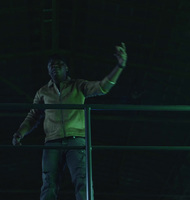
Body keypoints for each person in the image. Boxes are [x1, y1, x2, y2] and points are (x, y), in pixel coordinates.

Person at [12, 42, 128, 200]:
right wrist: (20, 133)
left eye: (59, 64)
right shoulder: (43, 92)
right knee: (48, 183)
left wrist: (120, 66)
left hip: (76, 141)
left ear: (67, 68)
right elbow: (33, 116)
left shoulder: (78, 85)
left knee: (82, 180)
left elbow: (103, 87)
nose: (55, 67)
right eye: (51, 65)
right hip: (52, 143)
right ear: (48, 70)